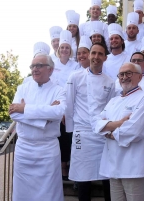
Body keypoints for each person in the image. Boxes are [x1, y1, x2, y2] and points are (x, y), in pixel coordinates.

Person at [93, 62, 144, 201]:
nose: (124, 77)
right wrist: (119, 124)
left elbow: (135, 129)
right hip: (113, 167)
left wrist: (108, 131)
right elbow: (96, 123)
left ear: (139, 77)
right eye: (121, 74)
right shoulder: (113, 101)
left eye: (129, 73)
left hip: (134, 167)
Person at [10, 54, 66, 201]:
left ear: (50, 70)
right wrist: (44, 119)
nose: (34, 69)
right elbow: (13, 114)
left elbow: (58, 112)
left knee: (49, 192)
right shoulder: (22, 88)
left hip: (47, 150)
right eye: (32, 66)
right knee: (22, 192)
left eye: (39, 66)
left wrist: (25, 109)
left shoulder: (59, 91)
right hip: (24, 149)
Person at [66, 42, 115, 201]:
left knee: (106, 175)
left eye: (100, 54)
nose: (96, 57)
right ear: (88, 55)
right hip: (82, 133)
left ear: (105, 58)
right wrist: (71, 130)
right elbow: (69, 104)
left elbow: (110, 108)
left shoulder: (109, 82)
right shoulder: (75, 77)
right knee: (82, 176)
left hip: (101, 134)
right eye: (93, 53)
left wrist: (109, 130)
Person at [51, 29, 79, 180]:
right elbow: (52, 86)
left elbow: (73, 87)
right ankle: (60, 168)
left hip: (71, 106)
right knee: (58, 138)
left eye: (67, 47)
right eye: (62, 47)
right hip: (56, 105)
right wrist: (59, 108)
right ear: (58, 49)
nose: (64, 50)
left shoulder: (75, 66)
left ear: (70, 50)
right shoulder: (52, 64)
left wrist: (66, 109)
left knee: (69, 138)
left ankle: (69, 166)